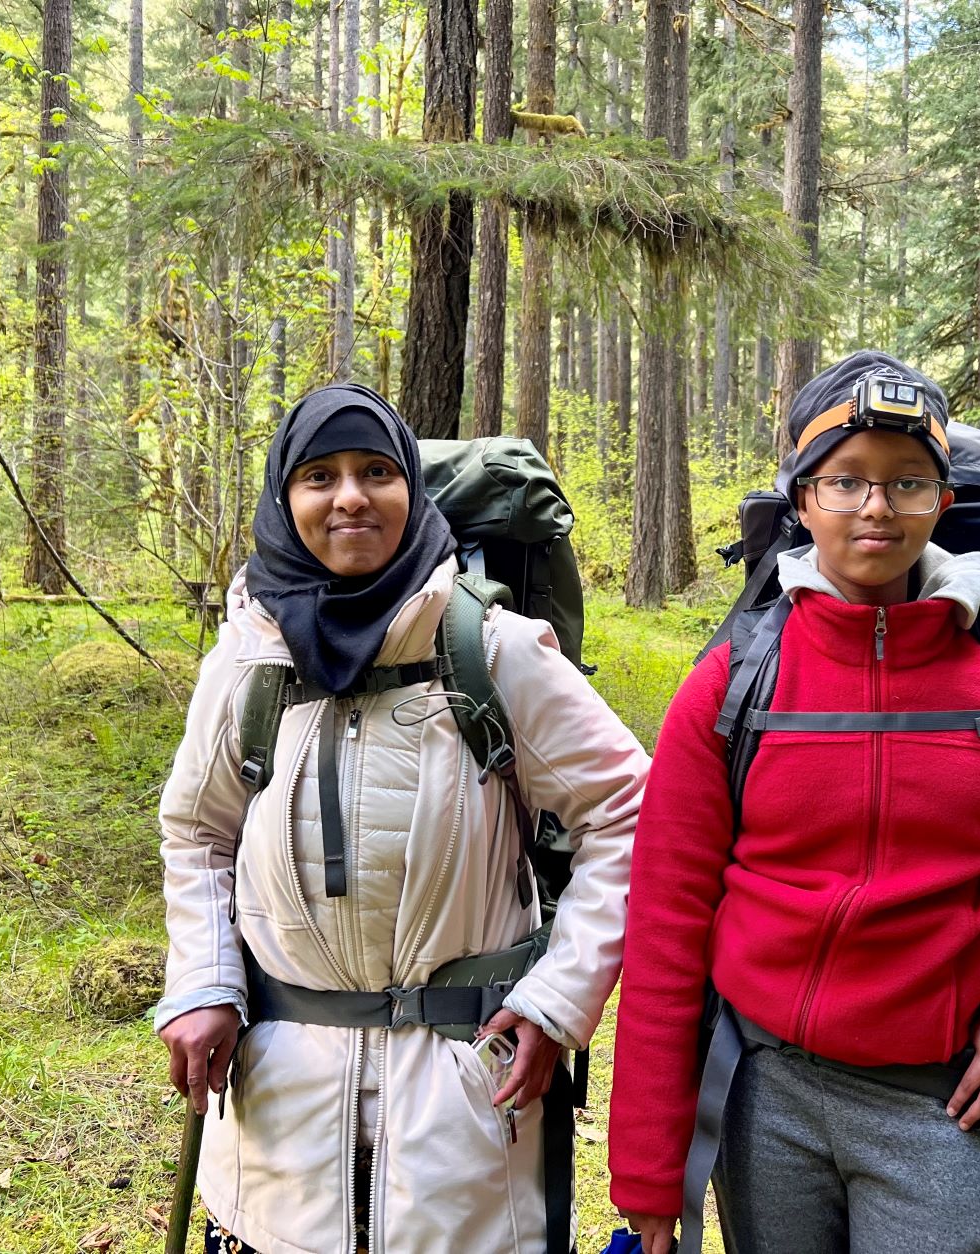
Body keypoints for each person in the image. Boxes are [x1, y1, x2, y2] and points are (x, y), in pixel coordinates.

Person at [607, 352, 980, 1254]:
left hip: (945, 1099)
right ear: (802, 500)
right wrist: (649, 1166)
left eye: (906, 482)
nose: (876, 507)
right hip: (764, 1093)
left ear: (942, 501)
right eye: (845, 481)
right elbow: (666, 921)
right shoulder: (733, 686)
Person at [154, 384, 648, 1253]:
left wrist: (557, 999)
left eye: (376, 472)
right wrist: (203, 982)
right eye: (321, 476)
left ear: (411, 493)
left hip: (463, 1115)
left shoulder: (492, 649)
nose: (350, 496)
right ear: (285, 498)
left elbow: (629, 812)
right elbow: (198, 834)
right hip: (278, 1120)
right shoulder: (248, 660)